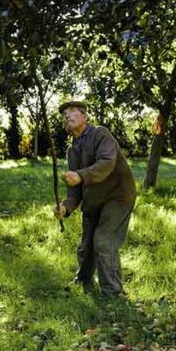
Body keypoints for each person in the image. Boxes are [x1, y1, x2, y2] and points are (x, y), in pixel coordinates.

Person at [53, 100, 137, 296]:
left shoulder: (100, 134)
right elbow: (75, 190)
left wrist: (81, 175)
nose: (67, 115)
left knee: (103, 241)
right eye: (64, 113)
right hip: (94, 200)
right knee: (86, 245)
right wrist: (65, 207)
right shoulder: (72, 150)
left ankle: (113, 292)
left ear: (85, 116)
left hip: (118, 196)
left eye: (72, 111)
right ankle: (84, 280)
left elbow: (107, 163)